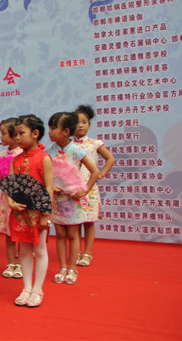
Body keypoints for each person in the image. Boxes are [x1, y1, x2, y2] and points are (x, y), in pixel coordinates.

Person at [46, 112, 99, 285]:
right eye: (49, 128)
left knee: (73, 234)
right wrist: (50, 186)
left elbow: (95, 172)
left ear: (66, 131)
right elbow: (43, 173)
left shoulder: (76, 150)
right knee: (60, 234)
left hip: (72, 199)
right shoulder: (49, 151)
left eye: (54, 128)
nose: (50, 132)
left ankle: (72, 267)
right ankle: (62, 267)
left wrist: (84, 190)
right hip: (56, 199)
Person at [8, 115, 53, 308]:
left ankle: (38, 289)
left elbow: (49, 188)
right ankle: (26, 288)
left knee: (40, 250)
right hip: (19, 213)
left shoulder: (44, 158)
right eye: (15, 134)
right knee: (24, 250)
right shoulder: (15, 160)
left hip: (38, 213)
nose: (17, 138)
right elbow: (10, 186)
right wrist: (11, 202)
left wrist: (45, 214)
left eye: (21, 133)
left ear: (35, 134)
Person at [74, 105, 114, 267]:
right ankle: (76, 252)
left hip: (89, 189)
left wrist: (101, 174)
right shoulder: (67, 146)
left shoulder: (94, 143)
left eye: (84, 122)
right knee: (74, 223)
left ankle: (87, 253)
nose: (80, 125)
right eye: (77, 122)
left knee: (89, 222)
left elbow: (110, 159)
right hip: (73, 190)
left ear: (89, 124)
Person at [0, 118, 23, 279]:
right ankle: (11, 262)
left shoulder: (23, 154)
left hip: (23, 198)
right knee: (9, 232)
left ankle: (21, 263)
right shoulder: (1, 155)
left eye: (4, 133)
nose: (1, 137)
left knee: (22, 232)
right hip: (7, 197)